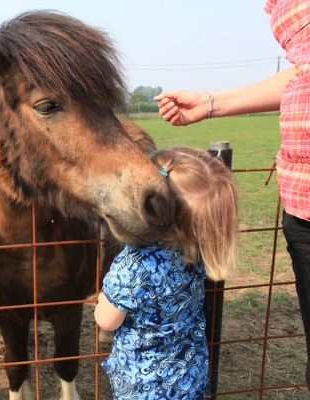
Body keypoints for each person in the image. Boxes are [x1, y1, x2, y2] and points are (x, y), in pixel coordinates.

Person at [153, 0, 310, 392]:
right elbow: (303, 70)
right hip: (302, 200)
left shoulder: (134, 271)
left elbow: (107, 317)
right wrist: (210, 103)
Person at [95, 146, 238, 400]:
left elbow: (106, 320)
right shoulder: (198, 251)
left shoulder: (135, 264)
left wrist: (102, 302)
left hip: (144, 387)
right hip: (189, 378)